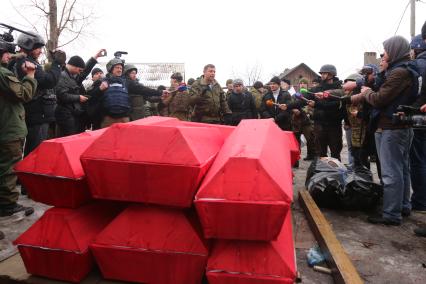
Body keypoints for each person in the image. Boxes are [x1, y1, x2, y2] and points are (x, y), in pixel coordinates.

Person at [351, 35, 415, 225]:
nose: (383, 55)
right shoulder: (398, 71)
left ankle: (391, 213)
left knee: (390, 172)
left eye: (386, 51)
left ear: (394, 51)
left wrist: (366, 92)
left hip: (391, 128)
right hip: (398, 127)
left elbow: (380, 99)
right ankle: (402, 206)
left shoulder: (399, 73)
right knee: (402, 169)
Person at [11, 31, 66, 156]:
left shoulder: (23, 61)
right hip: (36, 114)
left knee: (34, 151)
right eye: (38, 48)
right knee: (35, 153)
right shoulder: (27, 63)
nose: (41, 51)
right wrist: (56, 64)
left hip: (36, 113)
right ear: (29, 46)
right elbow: (48, 81)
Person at [0, 38, 37, 217]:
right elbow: (24, 93)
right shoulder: (3, 74)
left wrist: (17, 56)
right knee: (8, 168)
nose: (9, 55)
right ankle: (7, 204)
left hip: (5, 127)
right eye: (6, 52)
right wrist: (30, 75)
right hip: (8, 129)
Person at [90, 58, 165, 128]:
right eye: (117, 68)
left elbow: (143, 89)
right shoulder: (102, 82)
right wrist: (100, 89)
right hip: (108, 119)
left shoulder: (126, 82)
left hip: (124, 118)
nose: (119, 70)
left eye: (121, 68)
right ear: (111, 69)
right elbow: (91, 96)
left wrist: (160, 92)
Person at [55, 51, 104, 136]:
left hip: (74, 114)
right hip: (66, 116)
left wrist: (94, 58)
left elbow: (85, 71)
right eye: (79, 70)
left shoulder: (72, 75)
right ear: (74, 66)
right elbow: (62, 95)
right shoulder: (62, 76)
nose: (79, 73)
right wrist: (78, 98)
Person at [307, 64, 344, 160]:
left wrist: (316, 105)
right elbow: (304, 98)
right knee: (321, 154)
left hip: (334, 125)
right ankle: (322, 174)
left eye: (324, 73)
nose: (322, 75)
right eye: (321, 73)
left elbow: (335, 105)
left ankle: (336, 174)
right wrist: (289, 105)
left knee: (335, 153)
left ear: (331, 74)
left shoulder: (340, 89)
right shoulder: (317, 88)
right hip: (319, 124)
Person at [407, 34, 426, 213]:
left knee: (417, 161)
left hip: (418, 119)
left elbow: (414, 94)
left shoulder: (418, 66)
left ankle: (420, 200)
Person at [293, 78, 316, 161]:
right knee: (296, 140)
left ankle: (311, 155)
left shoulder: (310, 94)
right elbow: (293, 105)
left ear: (307, 85)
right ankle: (296, 157)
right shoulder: (295, 95)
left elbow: (313, 106)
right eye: (301, 83)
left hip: (307, 122)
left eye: (304, 83)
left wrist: (306, 110)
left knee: (310, 139)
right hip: (297, 121)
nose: (302, 84)